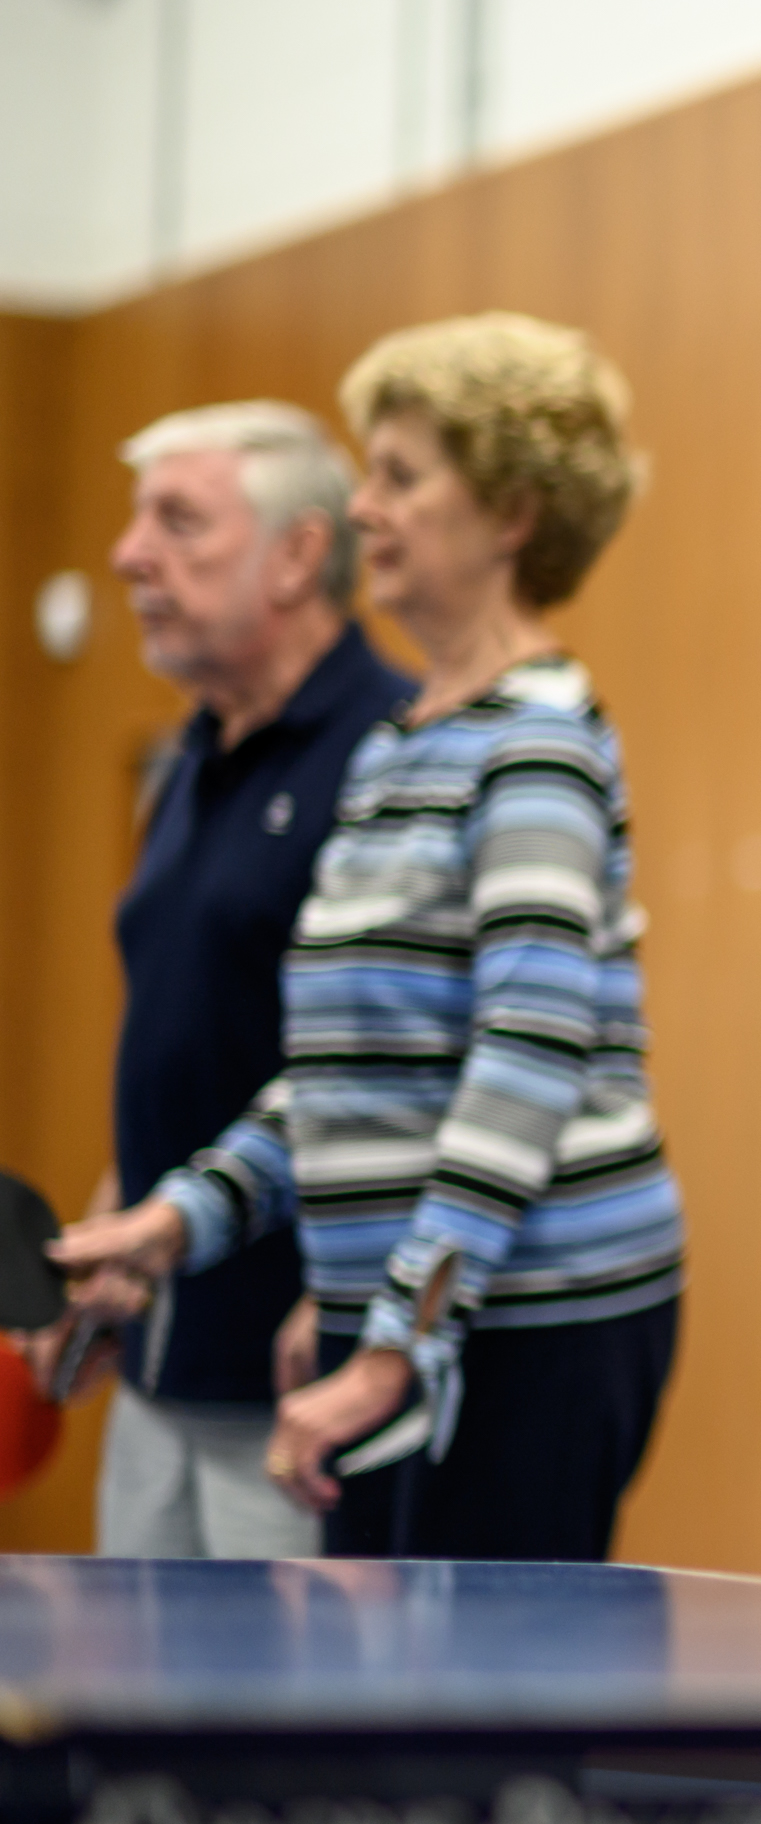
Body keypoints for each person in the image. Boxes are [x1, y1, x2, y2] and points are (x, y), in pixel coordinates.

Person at [55, 313, 685, 1562]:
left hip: (538, 1326)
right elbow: (349, 1078)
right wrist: (178, 1223)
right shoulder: (408, 744)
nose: (365, 512)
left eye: (398, 477)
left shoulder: (538, 745)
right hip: (432, 1318)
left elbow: (527, 1057)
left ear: (509, 512)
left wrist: (392, 1336)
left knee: (462, 1740)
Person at [33, 402, 412, 1559]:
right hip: (158, 1373)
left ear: (297, 554)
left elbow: (399, 1065)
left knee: (275, 1737)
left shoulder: (392, 747)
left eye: (178, 522)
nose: (127, 553)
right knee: (135, 1725)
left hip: (296, 1392)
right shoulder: (192, 750)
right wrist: (111, 1227)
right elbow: (180, 1028)